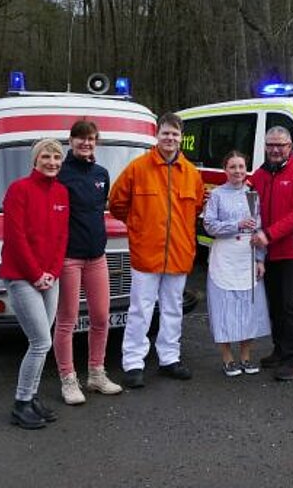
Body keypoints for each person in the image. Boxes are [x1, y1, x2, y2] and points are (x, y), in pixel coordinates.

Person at [109, 113, 204, 387]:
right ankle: (133, 363)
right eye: (165, 133)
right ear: (157, 135)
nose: (170, 139)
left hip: (179, 253)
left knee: (173, 309)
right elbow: (117, 203)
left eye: (175, 134)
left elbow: (196, 208)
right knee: (140, 309)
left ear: (181, 138)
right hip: (145, 253)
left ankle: (169, 359)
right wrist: (138, 225)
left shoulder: (191, 175)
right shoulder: (137, 168)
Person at [0, 138, 69, 429]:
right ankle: (21, 404)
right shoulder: (19, 190)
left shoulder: (62, 193)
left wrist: (51, 272)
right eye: (46, 156)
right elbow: (15, 238)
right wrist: (36, 274)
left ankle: (32, 397)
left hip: (49, 278)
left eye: (56, 157)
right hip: (21, 277)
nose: (52, 162)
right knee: (40, 341)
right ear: (35, 160)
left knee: (43, 341)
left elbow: (61, 238)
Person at [53, 120, 123, 405]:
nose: (86, 143)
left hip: (97, 257)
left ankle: (96, 374)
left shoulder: (101, 174)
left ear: (97, 142)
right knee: (67, 321)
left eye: (91, 139)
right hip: (69, 258)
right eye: (81, 138)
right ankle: (68, 379)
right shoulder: (60, 174)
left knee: (101, 318)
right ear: (71, 141)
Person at [251, 126, 293, 381]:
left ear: (290, 147)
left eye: (281, 145)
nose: (275, 150)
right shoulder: (259, 175)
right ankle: (280, 350)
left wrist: (268, 234)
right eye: (271, 145)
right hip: (270, 253)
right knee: (275, 306)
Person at [202, 151, 272, 377]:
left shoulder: (253, 195)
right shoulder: (217, 195)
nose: (238, 171)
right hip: (224, 256)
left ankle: (246, 356)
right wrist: (237, 224)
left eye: (241, 167)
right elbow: (210, 226)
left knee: (247, 308)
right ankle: (227, 358)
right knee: (225, 308)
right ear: (225, 170)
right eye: (232, 167)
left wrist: (260, 259)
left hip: (247, 256)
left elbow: (259, 228)